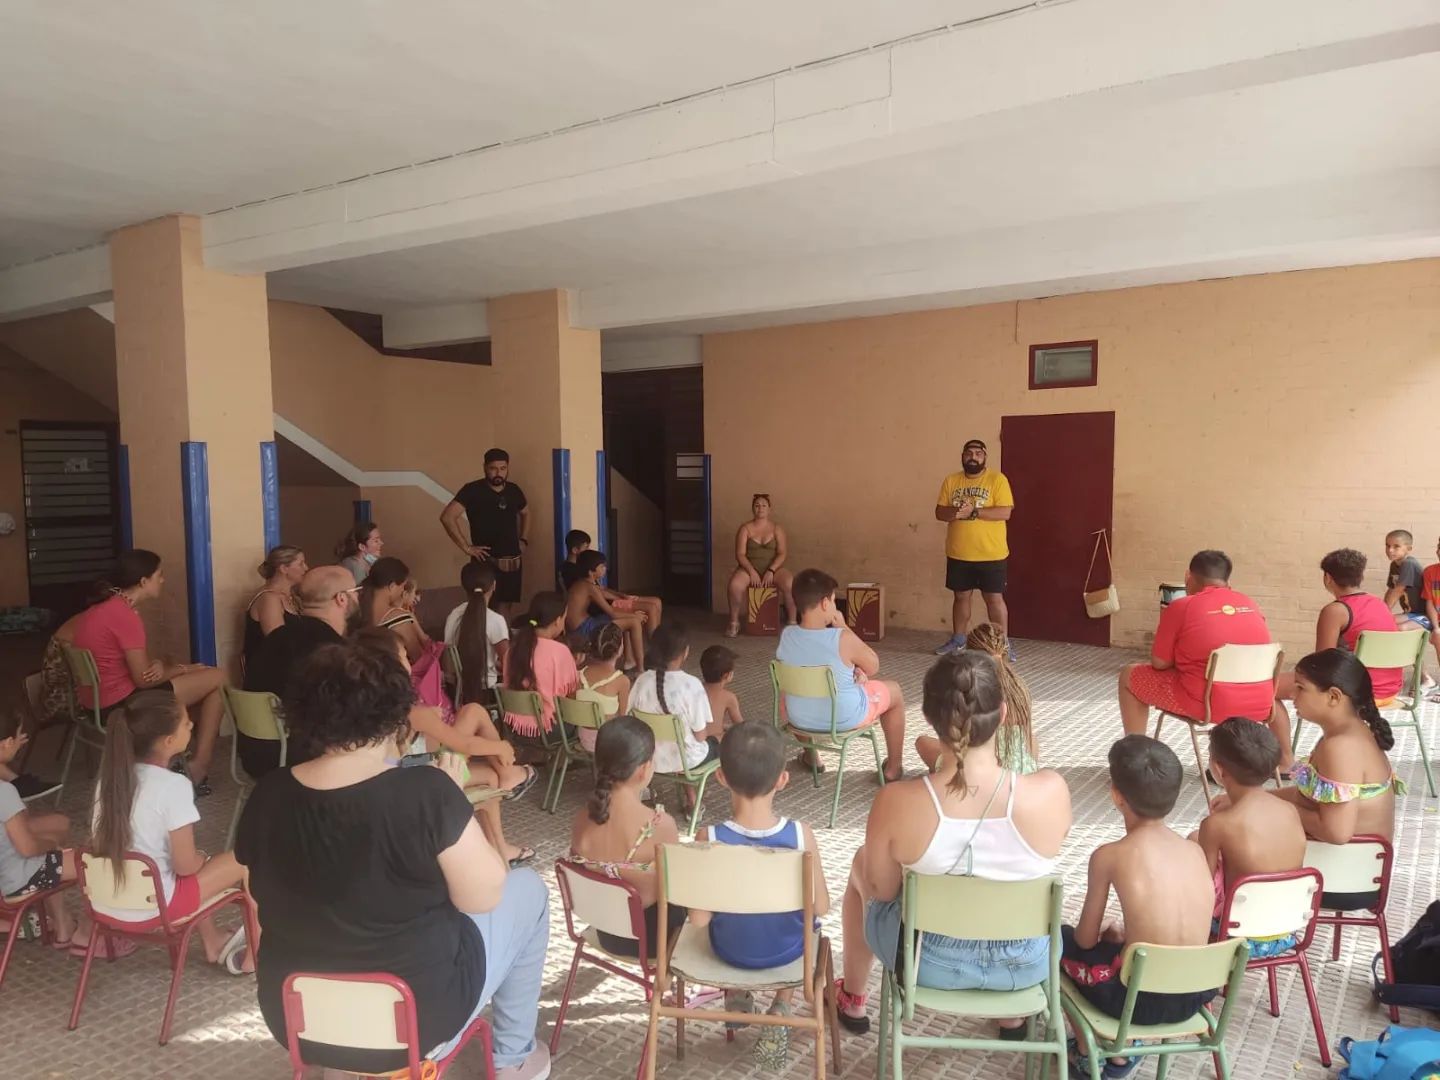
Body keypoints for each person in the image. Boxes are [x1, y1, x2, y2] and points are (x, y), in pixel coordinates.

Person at [234, 639, 551, 1080]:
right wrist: (455, 803)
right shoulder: (426, 793)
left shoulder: (268, 794)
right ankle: (513, 1057)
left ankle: (344, 1063)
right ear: (395, 713)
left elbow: (257, 891)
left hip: (297, 1019)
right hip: (418, 1021)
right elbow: (484, 896)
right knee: (528, 890)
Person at [835, 652, 1072, 1036]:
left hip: (927, 963)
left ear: (929, 716)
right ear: (1004, 712)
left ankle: (853, 998)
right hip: (1027, 962)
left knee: (862, 865)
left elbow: (882, 889)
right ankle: (1012, 1016)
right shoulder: (1051, 791)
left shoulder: (896, 802)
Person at [1062, 736, 1216, 1074]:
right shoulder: (1194, 850)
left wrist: (1103, 937)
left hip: (1138, 1002)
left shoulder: (1109, 856)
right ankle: (1120, 1053)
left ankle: (1100, 1053)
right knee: (1120, 946)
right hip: (1194, 994)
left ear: (1116, 795)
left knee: (1060, 940)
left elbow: (1085, 941)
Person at [693, 721, 829, 1068]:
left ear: (721, 777)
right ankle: (782, 1005)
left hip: (729, 951)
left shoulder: (709, 838)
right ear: (783, 779)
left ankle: (736, 993)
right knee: (808, 925)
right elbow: (822, 907)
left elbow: (698, 919)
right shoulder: (802, 836)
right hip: (787, 956)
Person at [92, 689, 251, 973]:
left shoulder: (109, 780)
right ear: (168, 741)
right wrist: (203, 859)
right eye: (187, 723)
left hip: (106, 902)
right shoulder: (173, 786)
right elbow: (186, 866)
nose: (192, 726)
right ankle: (255, 956)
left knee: (181, 870)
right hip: (157, 907)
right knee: (244, 861)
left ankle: (213, 941)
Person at [356, 628, 536, 867]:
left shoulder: (369, 707)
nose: (410, 662)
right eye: (404, 657)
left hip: (407, 773)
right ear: (391, 667)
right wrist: (502, 746)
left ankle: (506, 792)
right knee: (490, 777)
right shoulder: (411, 712)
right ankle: (500, 846)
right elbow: (465, 744)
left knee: (472, 711)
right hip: (419, 781)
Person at [69, 549, 226, 792]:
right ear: (143, 581)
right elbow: (143, 680)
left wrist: (164, 668)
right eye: (159, 575)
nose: (162, 580)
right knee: (218, 678)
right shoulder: (124, 615)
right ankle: (199, 766)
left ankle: (177, 762)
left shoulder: (99, 610)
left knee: (201, 690)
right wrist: (180, 668)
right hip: (123, 704)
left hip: (96, 705)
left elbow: (136, 665)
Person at [1117, 550, 1285, 757]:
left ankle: (1134, 756)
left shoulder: (1182, 606)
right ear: (1226, 579)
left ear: (1188, 576)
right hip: (1261, 703)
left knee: (1129, 675)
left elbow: (1160, 663)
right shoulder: (1249, 603)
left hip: (1206, 703)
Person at [569, 716, 686, 960]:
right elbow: (676, 890)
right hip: (654, 942)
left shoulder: (581, 820)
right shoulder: (660, 825)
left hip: (604, 930)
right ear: (644, 769)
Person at [775, 569, 905, 783]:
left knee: (792, 694)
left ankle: (811, 755)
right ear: (825, 603)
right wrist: (844, 627)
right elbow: (873, 665)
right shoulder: (842, 637)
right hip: (843, 717)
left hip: (798, 717)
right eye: (834, 601)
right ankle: (893, 768)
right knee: (895, 692)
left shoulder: (786, 635)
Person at [1264, 650, 1399, 850]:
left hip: (1344, 866)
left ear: (1334, 696)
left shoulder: (1342, 747)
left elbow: (1336, 832)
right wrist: (1255, 799)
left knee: (1217, 839)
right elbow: (1306, 798)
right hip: (1337, 858)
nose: (1292, 695)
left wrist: (1276, 807)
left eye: (1301, 688)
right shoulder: (1347, 734)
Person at [1193, 719, 1306, 958]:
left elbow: (1202, 892)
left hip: (1237, 937)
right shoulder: (1290, 811)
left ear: (1219, 769)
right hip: (1285, 931)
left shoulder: (1217, 825)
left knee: (1190, 850)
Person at [242, 565, 361, 778]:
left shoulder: (275, 638)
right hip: (302, 761)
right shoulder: (333, 653)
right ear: (342, 599)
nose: (359, 597)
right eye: (356, 592)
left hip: (255, 754)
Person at [1274, 549, 1403, 704]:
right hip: (1389, 692)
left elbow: (1323, 661)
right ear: (1360, 576)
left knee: (1267, 686)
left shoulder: (1336, 611)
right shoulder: (1379, 604)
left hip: (1354, 693)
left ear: (1328, 578)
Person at [917, 622, 1037, 774]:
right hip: (1019, 767)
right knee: (1032, 740)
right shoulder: (1019, 686)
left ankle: (943, 778)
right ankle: (1030, 770)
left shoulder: (968, 684)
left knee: (922, 742)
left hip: (974, 767)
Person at [933, 439, 1015, 658]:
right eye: (969, 453)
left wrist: (974, 513)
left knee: (994, 599)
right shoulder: (952, 481)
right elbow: (940, 512)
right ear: (962, 456)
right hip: (959, 552)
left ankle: (1002, 645)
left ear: (985, 457)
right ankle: (958, 640)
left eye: (978, 453)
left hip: (992, 553)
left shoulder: (997, 480)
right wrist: (954, 513)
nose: (973, 457)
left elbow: (1005, 512)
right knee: (960, 597)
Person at [0, 734, 80, 952]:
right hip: (16, 880)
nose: (20, 743)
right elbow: (27, 848)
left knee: (54, 853)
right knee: (89, 861)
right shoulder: (4, 791)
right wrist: (49, 842)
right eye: (18, 737)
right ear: (6, 742)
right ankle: (88, 933)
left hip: (8, 872)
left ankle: (63, 926)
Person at [440, 448, 530, 610]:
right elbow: (447, 517)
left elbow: (526, 513)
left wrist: (524, 539)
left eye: (503, 468)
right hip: (485, 561)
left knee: (505, 607)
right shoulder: (472, 490)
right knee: (483, 606)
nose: (498, 473)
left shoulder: (514, 490)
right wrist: (467, 548)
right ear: (484, 467)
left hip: (512, 561)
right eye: (493, 468)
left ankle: (503, 635)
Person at [628, 623, 721, 779]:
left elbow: (629, 720)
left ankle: (689, 797)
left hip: (648, 759)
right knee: (719, 739)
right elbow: (700, 737)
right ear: (685, 652)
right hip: (687, 762)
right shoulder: (691, 685)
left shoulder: (642, 680)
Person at [501, 592, 578, 746]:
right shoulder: (560, 651)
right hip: (548, 730)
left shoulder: (513, 649)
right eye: (564, 618)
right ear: (557, 621)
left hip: (514, 727)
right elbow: (572, 696)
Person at [726, 494, 796, 637]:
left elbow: (782, 553)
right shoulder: (745, 528)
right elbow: (740, 554)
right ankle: (734, 622)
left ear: (769, 509)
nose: (760, 508)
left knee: (790, 583)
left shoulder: (777, 529)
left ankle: (792, 622)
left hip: (773, 568)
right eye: (757, 505)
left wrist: (771, 570)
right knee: (735, 586)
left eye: (764, 505)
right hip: (749, 568)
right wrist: (751, 571)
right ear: (753, 508)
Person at [564, 551, 646, 672]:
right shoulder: (589, 587)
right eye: (602, 566)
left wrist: (623, 598)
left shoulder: (582, 583)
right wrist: (635, 615)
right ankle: (641, 669)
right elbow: (611, 613)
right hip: (584, 629)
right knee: (634, 622)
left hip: (584, 624)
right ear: (591, 572)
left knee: (627, 619)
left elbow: (604, 593)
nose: (605, 569)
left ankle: (629, 660)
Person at [445, 561, 510, 706]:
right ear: (494, 585)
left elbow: (448, 659)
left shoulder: (453, 616)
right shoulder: (495, 620)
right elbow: (509, 665)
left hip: (458, 693)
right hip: (488, 695)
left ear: (464, 586)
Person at [242, 545, 306, 666]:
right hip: (269, 669)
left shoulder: (292, 597)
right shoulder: (269, 599)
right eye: (301, 564)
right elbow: (278, 643)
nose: (306, 568)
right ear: (283, 568)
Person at [361, 556, 428, 663]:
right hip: (396, 677)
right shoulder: (397, 617)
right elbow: (418, 658)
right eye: (402, 586)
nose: (402, 591)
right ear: (392, 586)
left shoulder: (357, 613)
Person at [575, 623, 630, 752]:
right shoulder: (622, 681)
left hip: (584, 739)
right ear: (620, 649)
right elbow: (622, 718)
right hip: (609, 743)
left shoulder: (579, 675)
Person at [1384, 529, 1430, 632]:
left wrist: (1383, 614)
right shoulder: (1394, 565)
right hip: (1410, 614)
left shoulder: (1409, 564)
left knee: (1400, 627)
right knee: (1387, 622)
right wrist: (1383, 610)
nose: (1390, 550)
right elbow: (1391, 589)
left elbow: (1399, 590)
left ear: (1408, 549)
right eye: (1387, 545)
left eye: (1396, 546)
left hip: (1425, 615)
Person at [700, 645, 743, 732]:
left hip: (694, 740)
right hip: (715, 743)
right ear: (727, 675)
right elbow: (741, 727)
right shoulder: (729, 697)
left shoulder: (693, 690)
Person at [335, 521, 384, 586]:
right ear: (362, 547)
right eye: (376, 541)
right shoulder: (352, 566)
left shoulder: (371, 563)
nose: (381, 543)